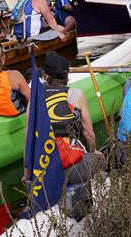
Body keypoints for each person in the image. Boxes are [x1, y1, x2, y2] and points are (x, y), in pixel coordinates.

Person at [41, 52, 104, 184]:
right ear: (66, 75)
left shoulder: (35, 99)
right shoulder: (75, 95)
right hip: (70, 168)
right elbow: (89, 134)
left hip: (44, 169)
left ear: (46, 75)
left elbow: (28, 139)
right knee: (100, 159)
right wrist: (93, 152)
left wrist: (27, 174)